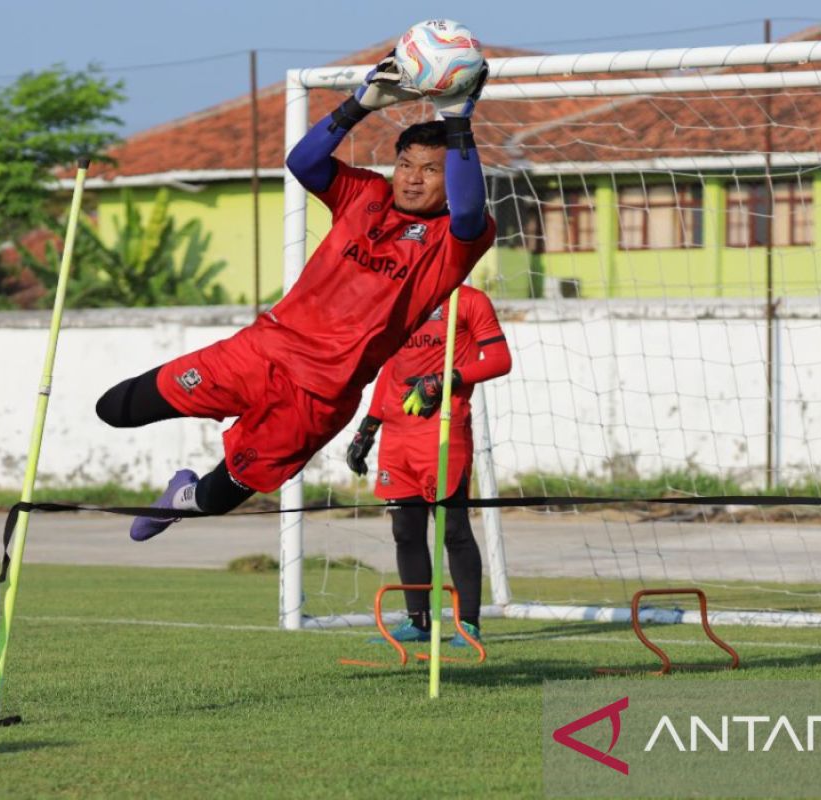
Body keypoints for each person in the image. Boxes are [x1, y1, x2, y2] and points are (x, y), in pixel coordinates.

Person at [95, 55, 495, 540]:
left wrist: (458, 119)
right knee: (116, 408)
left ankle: (183, 495)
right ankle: (182, 465)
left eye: (431, 170)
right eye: (405, 164)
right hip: (261, 351)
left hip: (319, 397)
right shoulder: (364, 194)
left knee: (219, 497)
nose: (412, 178)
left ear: (449, 179)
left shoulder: (454, 241)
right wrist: (363, 101)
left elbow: (470, 207)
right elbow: (301, 162)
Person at [345, 284, 511, 647]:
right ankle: (418, 623)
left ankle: (468, 625)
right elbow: (391, 368)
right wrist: (368, 428)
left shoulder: (468, 301)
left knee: (452, 530)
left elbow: (500, 360)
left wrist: (445, 379)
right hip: (397, 435)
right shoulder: (401, 299)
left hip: (442, 431)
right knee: (405, 530)